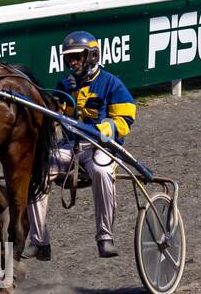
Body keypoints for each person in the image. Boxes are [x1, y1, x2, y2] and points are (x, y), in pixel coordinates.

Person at [26, 31, 137, 260]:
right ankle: (39, 241)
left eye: (77, 57)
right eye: (69, 58)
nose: (73, 62)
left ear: (92, 56)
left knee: (101, 170)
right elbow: (55, 117)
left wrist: (106, 129)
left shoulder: (112, 84)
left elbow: (125, 119)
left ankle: (105, 237)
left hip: (101, 147)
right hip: (69, 146)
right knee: (37, 171)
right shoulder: (64, 86)